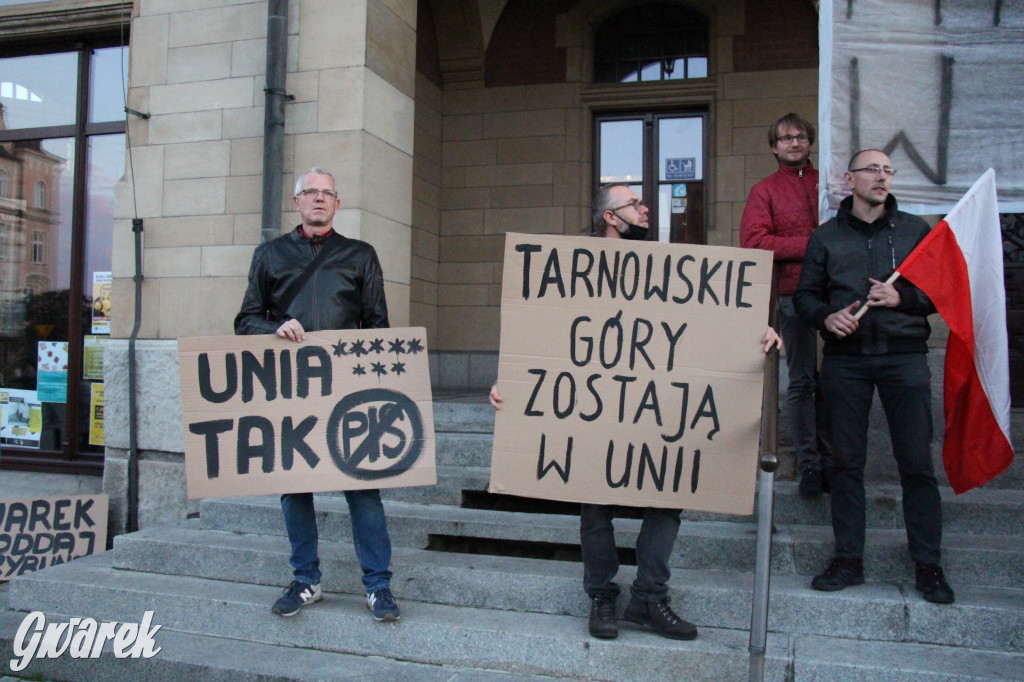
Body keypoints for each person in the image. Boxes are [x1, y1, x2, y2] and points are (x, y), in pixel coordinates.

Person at [489, 183, 782, 641]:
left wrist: (757, 332)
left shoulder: (668, 267)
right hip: (593, 408)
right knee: (594, 502)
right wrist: (511, 381)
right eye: (634, 203)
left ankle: (649, 597)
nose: (645, 209)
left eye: (644, 203)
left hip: (656, 409)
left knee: (669, 496)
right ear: (610, 216)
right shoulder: (572, 266)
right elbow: (540, 333)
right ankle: (602, 594)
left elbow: (709, 325)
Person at [234, 166, 401, 621]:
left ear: (337, 203)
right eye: (311, 192)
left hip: (347, 387)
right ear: (297, 201)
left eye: (328, 193)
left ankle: (378, 586)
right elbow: (245, 320)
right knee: (295, 489)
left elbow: (378, 326)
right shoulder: (269, 255)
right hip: (291, 389)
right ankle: (306, 580)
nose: (319, 199)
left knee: (363, 487)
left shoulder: (360, 255)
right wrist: (274, 326)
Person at [793, 150, 954, 604]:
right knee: (844, 464)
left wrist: (902, 300)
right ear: (850, 179)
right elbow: (805, 298)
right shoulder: (825, 238)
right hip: (846, 361)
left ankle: (928, 563)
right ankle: (849, 559)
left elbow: (939, 293)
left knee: (917, 464)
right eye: (873, 170)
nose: (882, 177)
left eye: (888, 170)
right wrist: (827, 318)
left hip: (905, 358)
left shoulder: (915, 232)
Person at [740, 112, 832, 498]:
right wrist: (815, 244)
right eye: (786, 138)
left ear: (809, 142)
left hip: (838, 293)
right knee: (802, 380)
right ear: (774, 146)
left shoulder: (827, 185)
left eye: (800, 137)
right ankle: (810, 462)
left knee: (841, 381)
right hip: (792, 296)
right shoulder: (765, 191)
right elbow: (755, 243)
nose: (794, 143)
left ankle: (837, 459)